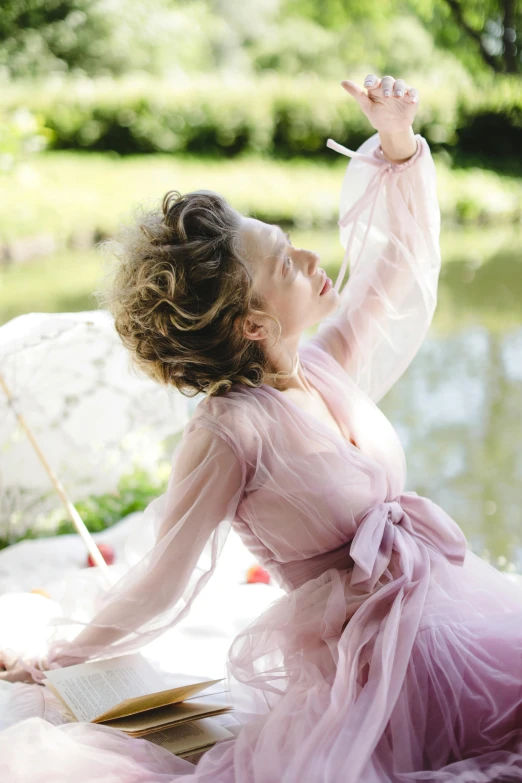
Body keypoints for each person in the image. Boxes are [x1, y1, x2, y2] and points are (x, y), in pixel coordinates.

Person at [2, 73, 522, 782]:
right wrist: (58, 658)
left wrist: (398, 139)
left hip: (452, 616)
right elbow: (163, 576)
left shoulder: (323, 363)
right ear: (252, 324)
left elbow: (393, 265)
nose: (311, 260)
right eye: (286, 263)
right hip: (373, 676)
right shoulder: (229, 431)